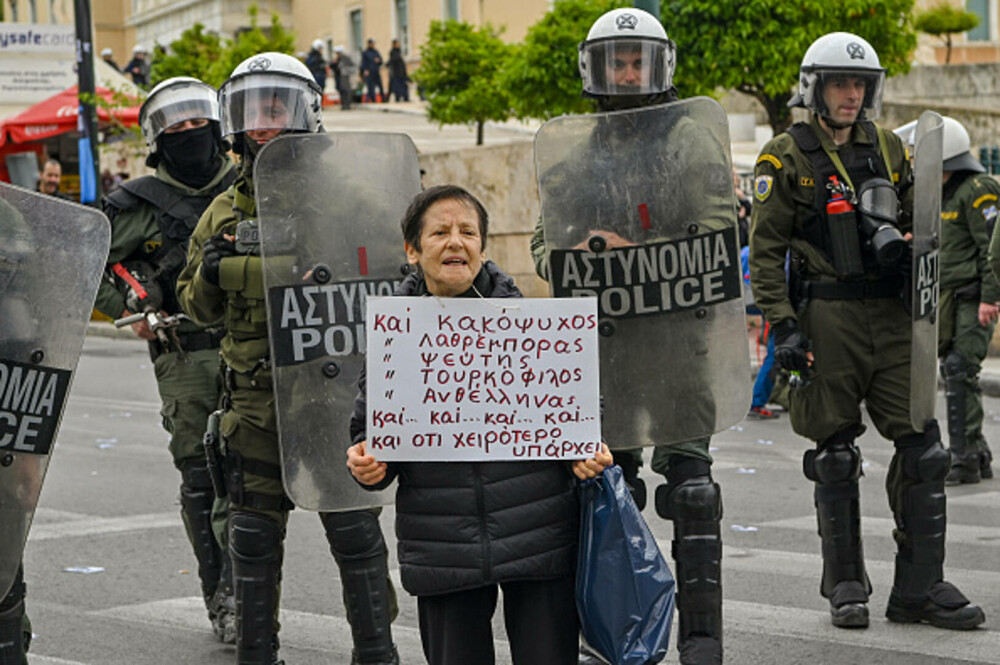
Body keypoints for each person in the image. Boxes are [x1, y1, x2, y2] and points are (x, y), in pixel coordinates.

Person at [749, 32, 985, 631]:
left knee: (924, 448)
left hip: (892, 312)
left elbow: (918, 219)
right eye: (839, 83)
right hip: (827, 316)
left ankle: (919, 587)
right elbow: (766, 246)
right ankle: (846, 584)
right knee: (833, 453)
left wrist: (909, 253)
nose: (851, 95)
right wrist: (784, 328)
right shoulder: (785, 154)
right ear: (815, 88)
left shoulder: (889, 147)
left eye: (859, 84)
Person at [176, 52, 399, 665]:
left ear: (305, 114)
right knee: (251, 538)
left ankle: (377, 653)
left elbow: (390, 279)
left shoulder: (349, 197)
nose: (263, 122)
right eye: (250, 109)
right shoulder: (222, 209)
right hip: (252, 399)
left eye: (276, 106)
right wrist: (219, 272)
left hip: (333, 391)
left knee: (355, 531)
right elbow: (194, 304)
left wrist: (250, 269)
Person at [530, 10, 731, 663]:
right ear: (594, 69)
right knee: (607, 491)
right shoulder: (576, 153)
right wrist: (587, 252)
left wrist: (638, 248)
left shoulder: (689, 141)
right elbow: (542, 246)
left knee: (694, 491)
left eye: (636, 59)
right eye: (615, 60)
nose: (626, 72)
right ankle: (617, 634)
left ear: (659, 66)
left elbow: (719, 233)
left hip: (676, 342)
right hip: (605, 348)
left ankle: (702, 637)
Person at [347, 184, 614, 665]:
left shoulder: (534, 326)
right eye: (440, 232)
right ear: (413, 249)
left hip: (540, 538)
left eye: (468, 231)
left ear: (482, 247)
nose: (456, 242)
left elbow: (580, 419)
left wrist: (588, 451)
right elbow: (370, 436)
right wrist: (368, 464)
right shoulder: (395, 337)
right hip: (442, 546)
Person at [95, 76, 238, 643]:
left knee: (249, 481)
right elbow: (89, 258)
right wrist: (130, 310)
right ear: (158, 138)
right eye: (175, 127)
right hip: (186, 356)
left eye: (197, 122)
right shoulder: (137, 203)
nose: (190, 134)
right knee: (201, 477)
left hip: (255, 352)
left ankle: (245, 594)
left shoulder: (250, 183)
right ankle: (218, 595)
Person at [927, 116, 999, 484]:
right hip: (950, 299)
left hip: (974, 299)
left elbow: (992, 247)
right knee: (955, 370)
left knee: (959, 367)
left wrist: (990, 298)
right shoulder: (945, 193)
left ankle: (964, 457)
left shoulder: (977, 189)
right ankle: (979, 451)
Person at [332, 45, 356, 110]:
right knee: (341, 90)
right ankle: (343, 104)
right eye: (337, 53)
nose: (337, 54)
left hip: (345, 77)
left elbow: (353, 67)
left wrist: (345, 70)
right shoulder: (336, 60)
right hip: (338, 77)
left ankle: (347, 104)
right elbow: (333, 67)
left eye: (338, 53)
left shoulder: (346, 58)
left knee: (346, 90)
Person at [361, 38, 385, 103]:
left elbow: (381, 61)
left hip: (376, 70)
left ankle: (383, 99)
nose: (373, 45)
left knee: (380, 85)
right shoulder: (365, 53)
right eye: (372, 43)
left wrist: (378, 61)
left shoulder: (376, 52)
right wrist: (365, 70)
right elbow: (363, 62)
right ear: (369, 44)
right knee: (371, 87)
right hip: (369, 71)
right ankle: (373, 99)